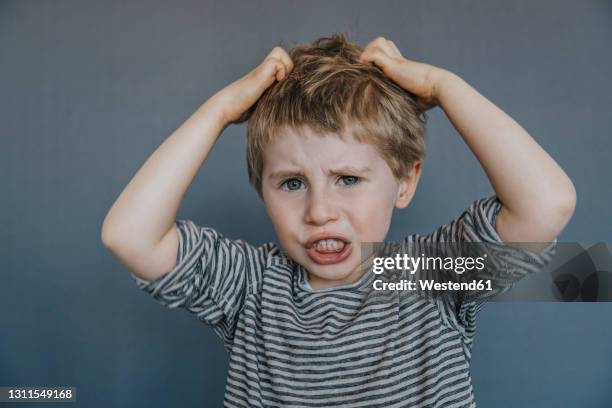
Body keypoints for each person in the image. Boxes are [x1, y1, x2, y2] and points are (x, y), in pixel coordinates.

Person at [101, 33, 576, 407]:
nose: (319, 211)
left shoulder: (429, 275)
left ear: (405, 181)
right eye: (291, 183)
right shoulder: (250, 285)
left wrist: (440, 85)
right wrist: (220, 111)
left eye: (347, 178)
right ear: (262, 191)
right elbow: (129, 236)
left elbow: (546, 205)